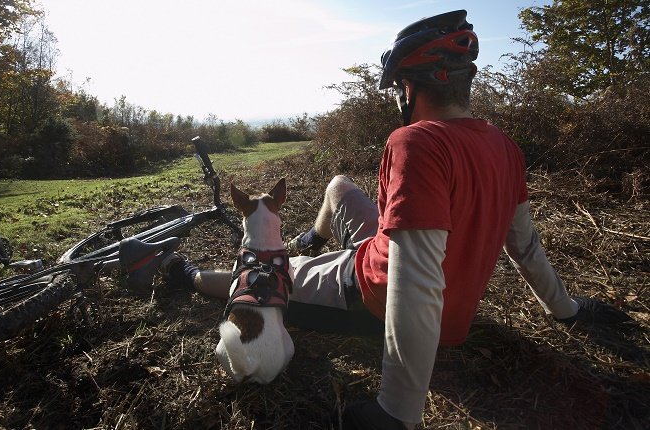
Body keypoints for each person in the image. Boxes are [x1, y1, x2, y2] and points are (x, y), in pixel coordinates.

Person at [160, 10, 631, 429]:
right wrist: (567, 310)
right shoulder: (504, 147)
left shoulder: (415, 141)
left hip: (368, 293)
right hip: (384, 252)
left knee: (265, 275)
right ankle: (313, 237)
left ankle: (182, 273)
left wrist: (397, 409)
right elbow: (525, 245)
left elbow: (417, 279)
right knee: (340, 185)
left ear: (409, 86)